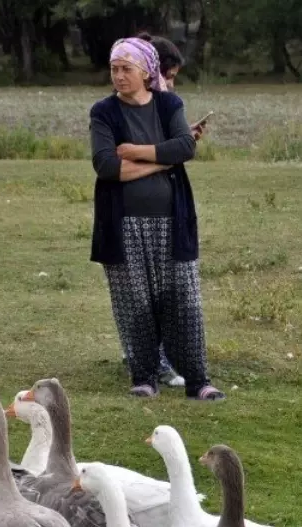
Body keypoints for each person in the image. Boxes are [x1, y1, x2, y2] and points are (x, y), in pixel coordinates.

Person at [89, 37, 224, 401]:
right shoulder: (104, 112)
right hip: (123, 224)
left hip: (171, 221)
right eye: (114, 69)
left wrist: (136, 152)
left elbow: (185, 146)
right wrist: (163, 161)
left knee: (184, 298)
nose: (118, 76)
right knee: (135, 302)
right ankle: (145, 378)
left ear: (147, 71)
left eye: (126, 69)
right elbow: (106, 166)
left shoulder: (168, 104)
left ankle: (198, 381)